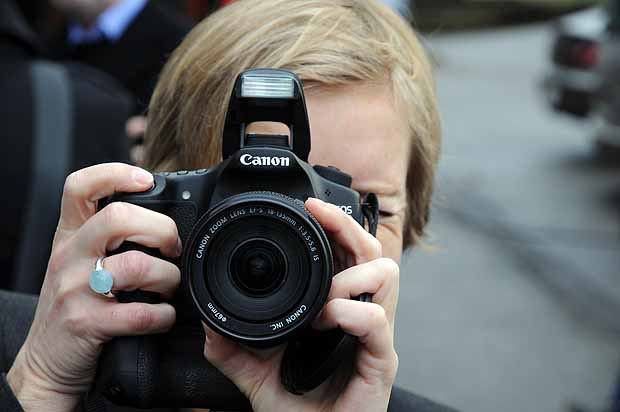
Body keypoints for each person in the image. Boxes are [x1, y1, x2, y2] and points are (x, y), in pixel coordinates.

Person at [2, 0, 451, 411]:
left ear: (413, 222)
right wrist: (40, 386)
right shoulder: (24, 356)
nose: (311, 240)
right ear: (155, 204)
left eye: (362, 209)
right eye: (254, 205)